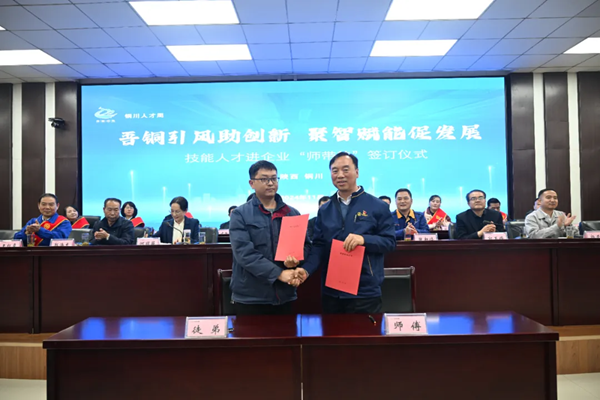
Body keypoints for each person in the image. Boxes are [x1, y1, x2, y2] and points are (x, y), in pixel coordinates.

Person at [302, 152, 396, 314]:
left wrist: (363, 240)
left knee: (364, 331)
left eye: (345, 169)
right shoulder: (325, 209)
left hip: (364, 291)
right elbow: (319, 246)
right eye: (335, 171)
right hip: (332, 291)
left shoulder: (377, 206)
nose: (340, 175)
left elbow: (390, 243)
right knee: (332, 330)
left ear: (357, 172)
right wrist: (305, 270)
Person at [229, 160, 310, 316]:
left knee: (286, 333)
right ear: (252, 183)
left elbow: (305, 246)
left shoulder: (292, 213)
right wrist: (279, 274)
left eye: (274, 178)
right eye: (264, 179)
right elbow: (244, 254)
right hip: (251, 297)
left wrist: (296, 261)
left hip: (285, 295)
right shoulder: (240, 214)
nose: (271, 183)